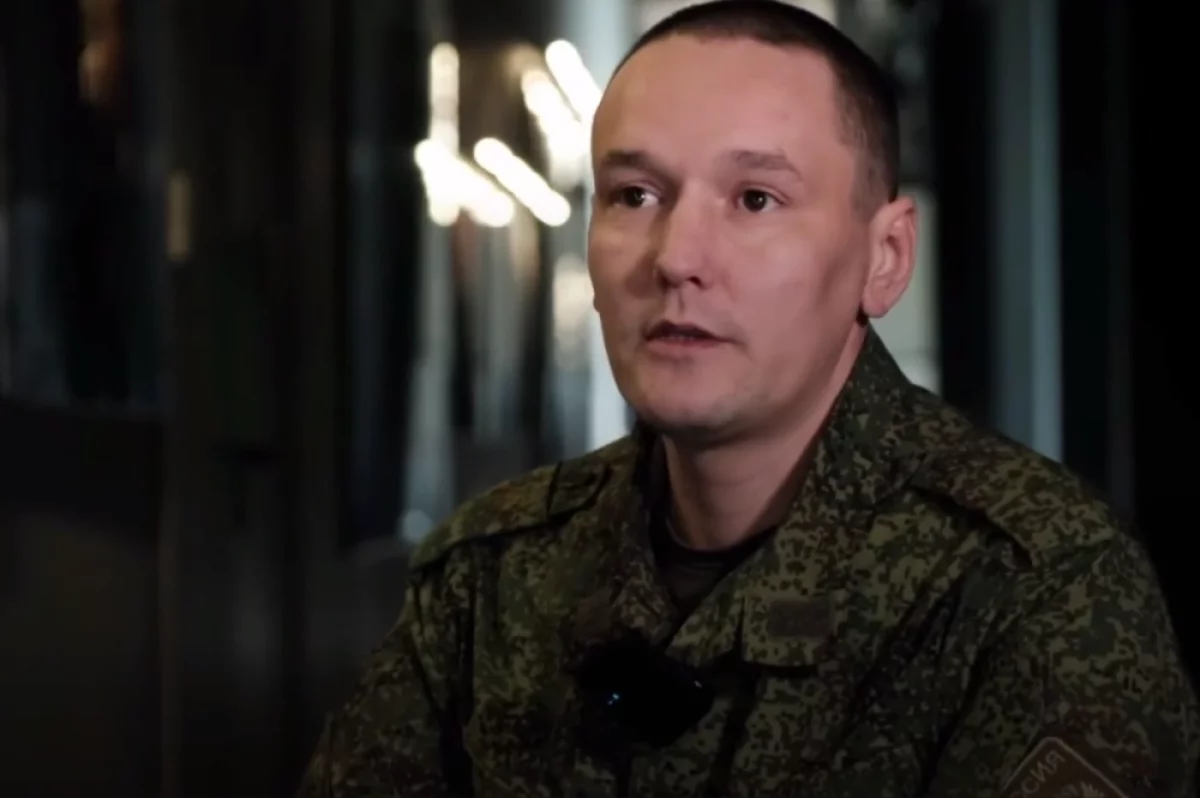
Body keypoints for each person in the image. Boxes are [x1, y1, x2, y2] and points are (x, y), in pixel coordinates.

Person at [298, 1, 1199, 795]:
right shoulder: (489, 575)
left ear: (884, 257)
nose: (677, 257)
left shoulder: (1032, 584)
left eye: (756, 199)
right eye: (634, 194)